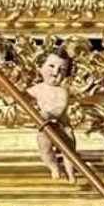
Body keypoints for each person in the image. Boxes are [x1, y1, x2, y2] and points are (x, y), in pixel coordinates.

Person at [29, 50, 75, 182]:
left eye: (62, 70)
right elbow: (23, 97)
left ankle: (71, 174)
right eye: (51, 66)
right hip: (45, 128)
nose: (56, 73)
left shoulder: (62, 91)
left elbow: (60, 109)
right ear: (40, 68)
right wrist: (12, 97)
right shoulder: (38, 88)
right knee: (45, 150)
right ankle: (54, 167)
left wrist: (49, 114)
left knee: (69, 153)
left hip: (62, 128)